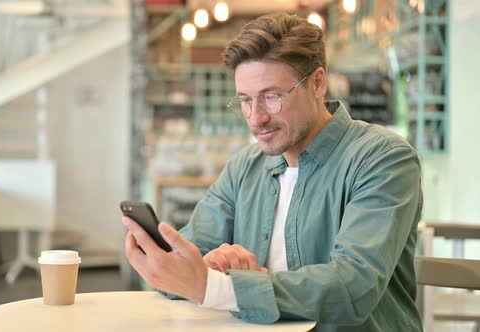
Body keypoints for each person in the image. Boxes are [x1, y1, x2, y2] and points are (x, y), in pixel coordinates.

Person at [122, 12, 423, 331]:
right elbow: (183, 269)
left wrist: (217, 288)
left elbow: (352, 286)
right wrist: (194, 271)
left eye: (272, 97)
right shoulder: (245, 167)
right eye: (245, 101)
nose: (255, 118)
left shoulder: (383, 159)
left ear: (318, 83)